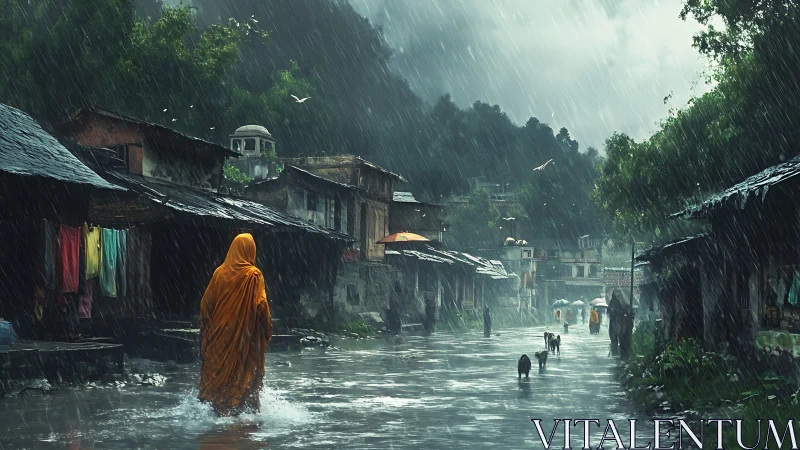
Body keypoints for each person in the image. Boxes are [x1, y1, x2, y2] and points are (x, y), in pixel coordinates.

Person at [199, 233, 273, 417]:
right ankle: (237, 414)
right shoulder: (253, 275)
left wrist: (208, 328)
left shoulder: (219, 273)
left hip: (219, 336)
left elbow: (205, 305)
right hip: (244, 338)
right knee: (242, 376)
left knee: (217, 377)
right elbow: (261, 305)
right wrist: (267, 329)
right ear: (250, 250)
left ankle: (216, 413)